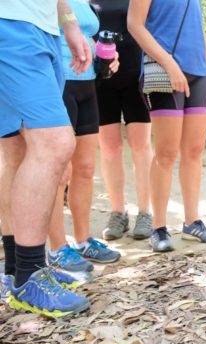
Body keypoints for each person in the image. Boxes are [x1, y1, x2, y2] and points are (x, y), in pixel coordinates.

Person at [0, 0, 92, 317]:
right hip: (11, 23)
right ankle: (30, 275)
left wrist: (69, 25)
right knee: (54, 142)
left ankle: (14, 271)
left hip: (41, 27)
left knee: (17, 149)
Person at [128, 0, 206, 252]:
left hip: (198, 70)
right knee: (166, 153)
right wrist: (169, 63)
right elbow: (134, 25)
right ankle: (158, 228)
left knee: (194, 151)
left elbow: (198, 27)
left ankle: (192, 222)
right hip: (162, 68)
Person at [47, 0, 122, 275]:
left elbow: (88, 35)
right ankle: (57, 248)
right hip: (60, 83)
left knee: (86, 168)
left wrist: (107, 57)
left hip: (88, 85)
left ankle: (83, 241)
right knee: (60, 172)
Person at [91, 0, 154, 242]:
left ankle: (145, 212)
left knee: (141, 146)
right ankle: (118, 213)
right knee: (109, 147)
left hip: (136, 75)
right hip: (101, 76)